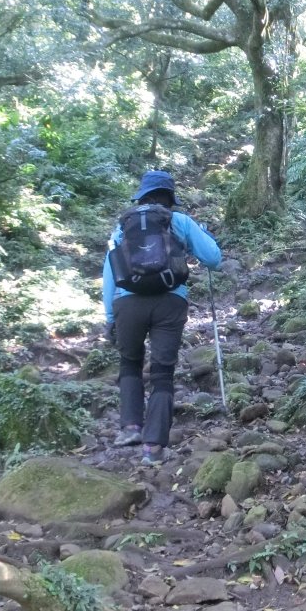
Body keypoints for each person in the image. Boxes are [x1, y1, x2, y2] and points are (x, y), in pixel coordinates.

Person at [102, 170, 221, 466]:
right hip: (170, 301)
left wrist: (109, 315)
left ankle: (130, 427)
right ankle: (153, 447)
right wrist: (203, 236)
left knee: (129, 362)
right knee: (162, 373)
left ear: (141, 196)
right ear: (170, 198)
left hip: (127, 303)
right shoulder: (178, 222)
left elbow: (110, 273)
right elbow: (213, 259)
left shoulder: (122, 227)